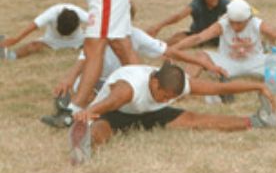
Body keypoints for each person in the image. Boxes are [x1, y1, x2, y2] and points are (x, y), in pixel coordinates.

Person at [67, 61, 276, 165]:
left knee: (196, 120)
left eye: (170, 97)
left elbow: (219, 88)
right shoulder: (128, 87)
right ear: (155, 81)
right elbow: (109, 102)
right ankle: (82, 148)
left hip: (150, 112)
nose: (166, 99)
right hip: (116, 111)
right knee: (101, 132)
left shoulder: (176, 84)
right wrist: (87, 113)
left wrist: (257, 87)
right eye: (163, 95)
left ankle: (257, 121)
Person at [42, 12, 229, 128]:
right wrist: (68, 79)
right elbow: (84, 60)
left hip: (125, 82)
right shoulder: (98, 35)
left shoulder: (134, 34)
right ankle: (73, 112)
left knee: (134, 76)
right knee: (90, 94)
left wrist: (207, 65)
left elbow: (169, 51)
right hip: (99, 82)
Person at [172, 0, 276, 97]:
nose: (236, 27)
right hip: (227, 62)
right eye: (233, 23)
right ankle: (179, 87)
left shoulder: (257, 24)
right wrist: (173, 50)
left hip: (255, 61)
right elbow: (198, 37)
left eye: (240, 23)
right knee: (200, 56)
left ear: (248, 19)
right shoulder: (222, 24)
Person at [147, 0, 229, 46]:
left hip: (216, 37)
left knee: (179, 41)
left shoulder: (224, 3)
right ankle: (155, 45)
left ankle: (156, 46)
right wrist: (158, 26)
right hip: (198, 34)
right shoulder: (197, 4)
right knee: (177, 36)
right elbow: (179, 16)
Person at [0, 3, 87, 60]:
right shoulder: (51, 13)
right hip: (51, 41)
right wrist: (16, 39)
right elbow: (32, 26)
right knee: (33, 46)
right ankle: (11, 56)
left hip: (77, 40)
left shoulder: (81, 14)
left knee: (95, 44)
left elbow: (99, 24)